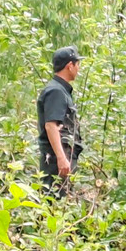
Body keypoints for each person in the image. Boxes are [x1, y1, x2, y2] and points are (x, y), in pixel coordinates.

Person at [37, 46, 83, 196]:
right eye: (77, 64)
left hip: (60, 159)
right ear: (70, 66)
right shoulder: (56, 91)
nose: (79, 68)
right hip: (56, 162)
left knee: (62, 202)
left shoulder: (60, 90)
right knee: (54, 203)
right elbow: (51, 126)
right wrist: (62, 158)